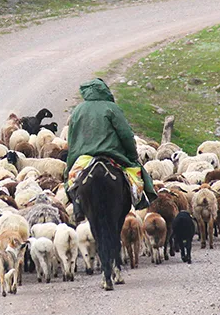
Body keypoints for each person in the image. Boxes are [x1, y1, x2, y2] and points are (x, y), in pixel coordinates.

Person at [64, 78, 157, 219]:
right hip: (113, 155)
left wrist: (73, 156)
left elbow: (72, 138)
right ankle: (140, 199)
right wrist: (132, 156)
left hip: (84, 157)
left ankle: (77, 204)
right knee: (136, 176)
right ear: (104, 90)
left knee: (70, 180)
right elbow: (126, 135)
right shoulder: (112, 108)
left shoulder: (78, 110)